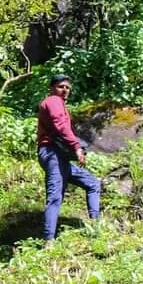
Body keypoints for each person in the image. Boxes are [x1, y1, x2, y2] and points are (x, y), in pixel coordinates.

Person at [36, 74, 101, 240]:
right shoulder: (53, 101)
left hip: (59, 157)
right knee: (55, 197)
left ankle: (96, 227)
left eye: (67, 87)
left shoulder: (59, 104)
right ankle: (48, 240)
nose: (64, 90)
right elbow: (60, 125)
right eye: (61, 86)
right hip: (51, 153)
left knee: (92, 183)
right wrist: (76, 147)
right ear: (52, 88)